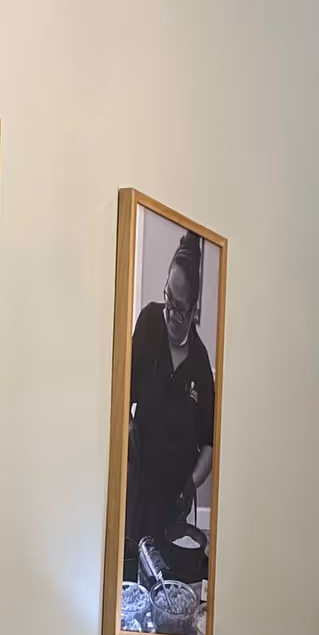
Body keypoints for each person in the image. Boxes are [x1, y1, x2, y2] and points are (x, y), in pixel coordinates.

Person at [123, 229, 215, 580]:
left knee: (168, 582)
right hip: (139, 486)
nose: (172, 314)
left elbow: (209, 443)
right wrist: (126, 434)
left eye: (181, 309)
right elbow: (122, 396)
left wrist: (191, 483)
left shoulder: (200, 364)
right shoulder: (148, 323)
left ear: (195, 309)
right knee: (132, 576)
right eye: (169, 301)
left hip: (175, 499)